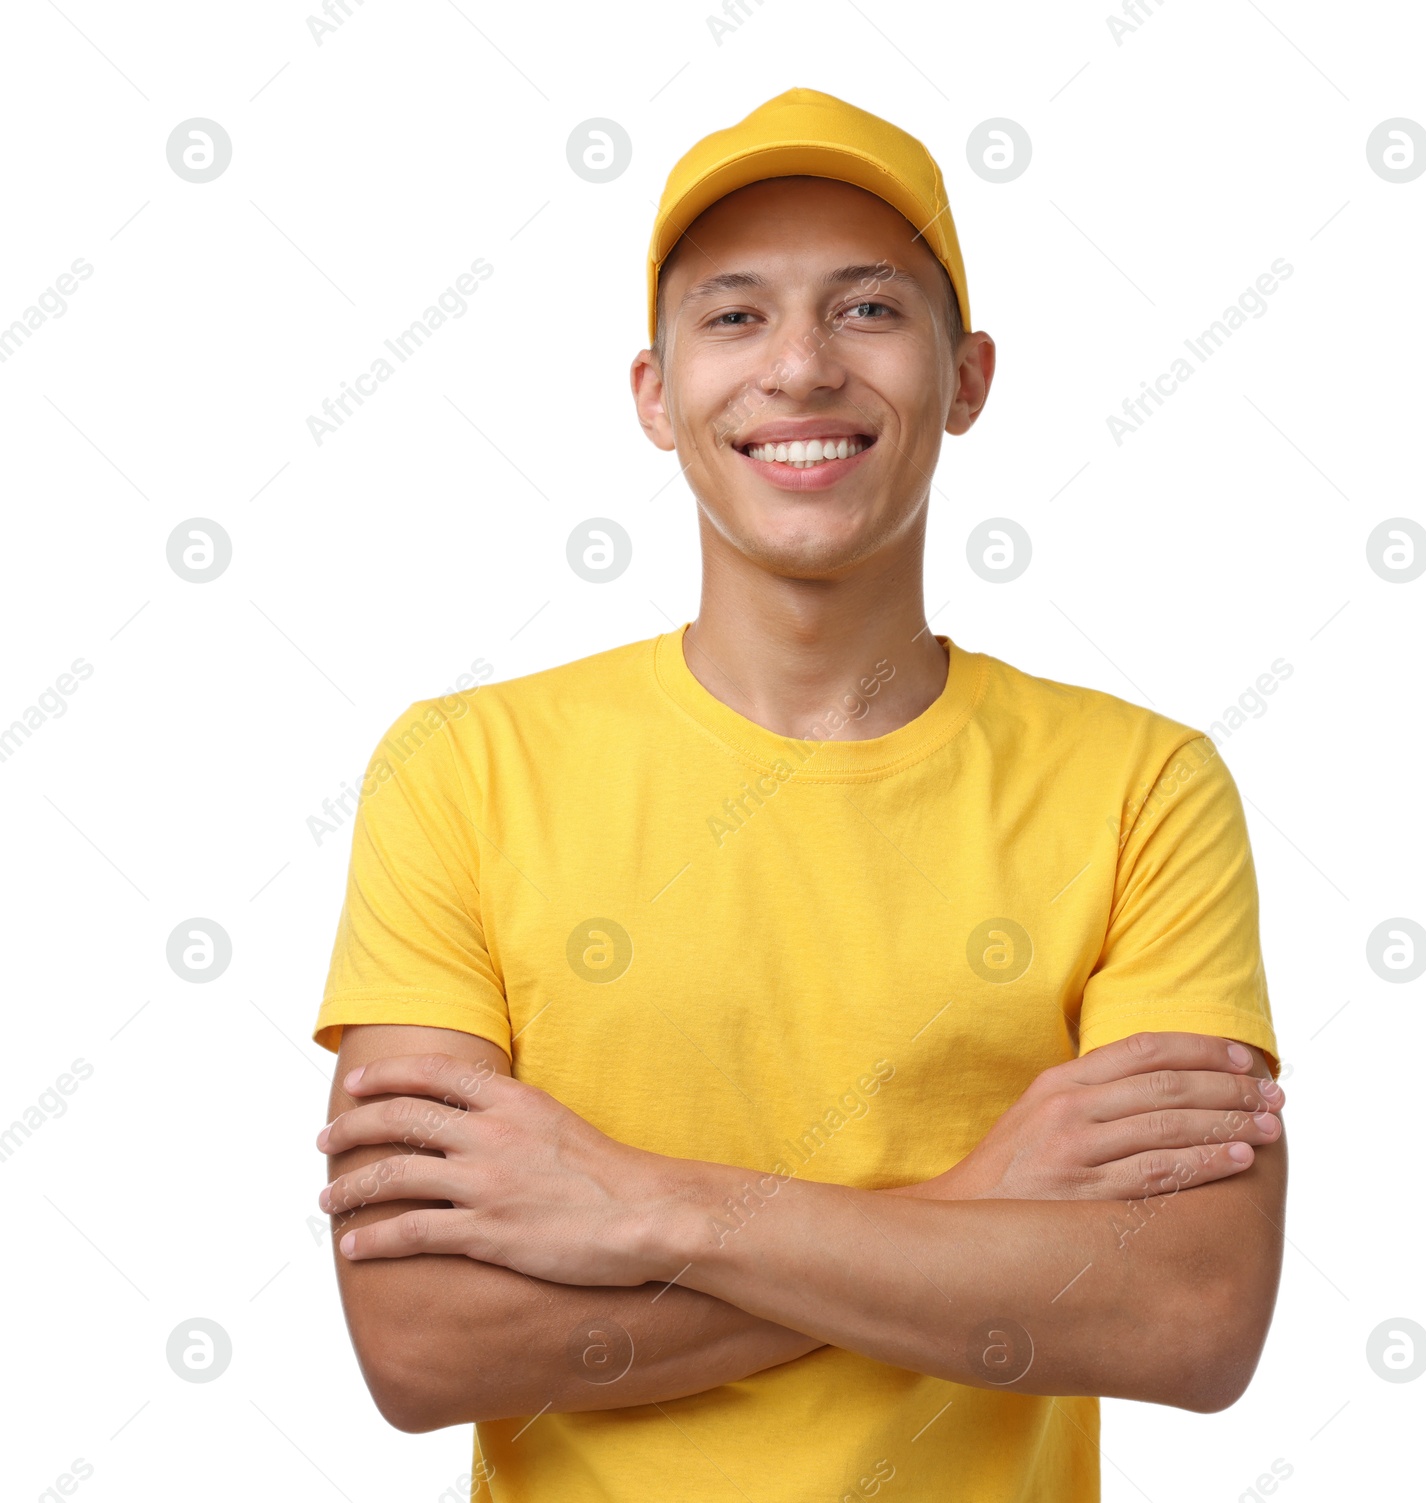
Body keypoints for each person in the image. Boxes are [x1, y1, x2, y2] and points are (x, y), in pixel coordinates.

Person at [311, 86, 1287, 1503]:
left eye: (870, 309)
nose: (800, 368)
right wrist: (974, 1210)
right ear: (656, 394)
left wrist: (647, 1210)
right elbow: (421, 1343)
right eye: (733, 316)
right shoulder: (463, 770)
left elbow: (1190, 1318)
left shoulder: (1143, 787)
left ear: (969, 377)